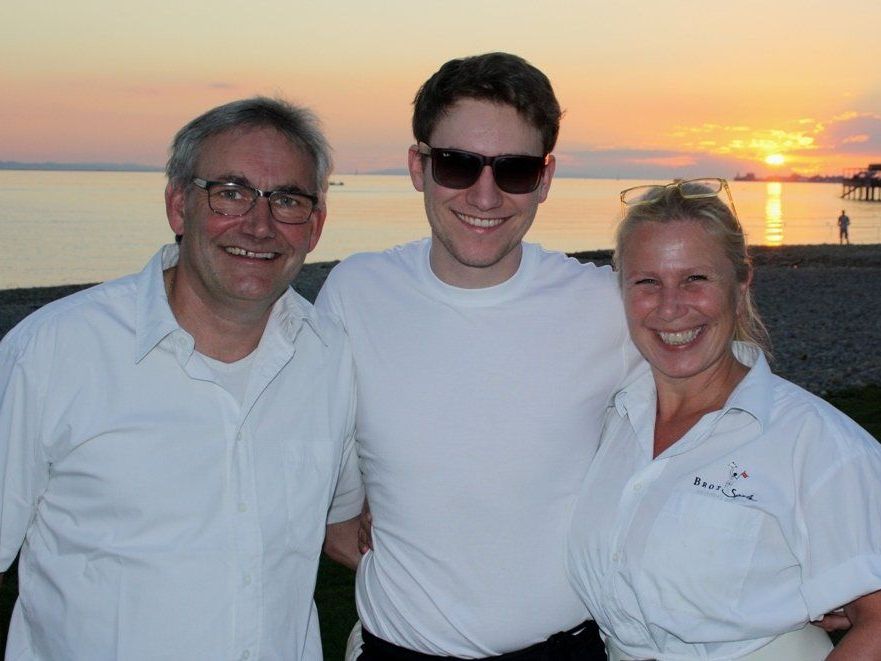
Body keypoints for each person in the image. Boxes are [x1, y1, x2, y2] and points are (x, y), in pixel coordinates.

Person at [0, 97, 361, 660]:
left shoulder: (332, 357)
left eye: (287, 200)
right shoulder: (53, 353)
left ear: (314, 226)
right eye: (232, 193)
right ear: (177, 206)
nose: (259, 224)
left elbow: (343, 527)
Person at [319, 52, 640, 659]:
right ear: (419, 166)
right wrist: (337, 511)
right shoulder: (357, 293)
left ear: (545, 178)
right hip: (398, 647)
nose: (485, 196)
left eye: (514, 171)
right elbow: (323, 428)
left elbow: (731, 402)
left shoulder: (605, 305)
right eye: (457, 164)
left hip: (563, 648)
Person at [567, 178, 881, 659]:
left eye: (696, 279)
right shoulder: (610, 421)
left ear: (740, 282)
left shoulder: (815, 443)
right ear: (621, 289)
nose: (671, 307)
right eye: (647, 281)